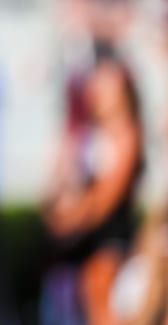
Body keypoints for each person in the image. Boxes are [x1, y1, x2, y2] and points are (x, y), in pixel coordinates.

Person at [39, 52, 144, 325]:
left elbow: (105, 199)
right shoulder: (86, 132)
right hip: (80, 241)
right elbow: (57, 184)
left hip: (108, 240)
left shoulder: (127, 134)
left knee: (101, 306)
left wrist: (70, 220)